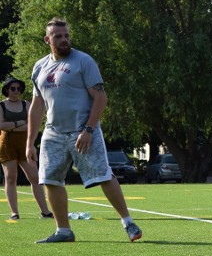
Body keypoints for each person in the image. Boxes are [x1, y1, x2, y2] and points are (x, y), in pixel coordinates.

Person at [26, 18, 142, 243]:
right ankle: (63, 231)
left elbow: (100, 97)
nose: (64, 40)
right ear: (47, 39)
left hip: (83, 131)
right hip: (53, 133)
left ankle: (128, 222)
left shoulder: (83, 61)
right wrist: (30, 141)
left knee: (103, 175)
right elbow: (37, 105)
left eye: (66, 35)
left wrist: (88, 129)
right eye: (58, 36)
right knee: (50, 179)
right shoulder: (40, 67)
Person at [1, 77, 52, 220]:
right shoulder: (1, 106)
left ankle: (45, 211)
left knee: (35, 177)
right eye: (13, 88)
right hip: (7, 144)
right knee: (11, 178)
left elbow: (33, 124)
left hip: (26, 144)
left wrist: (12, 125)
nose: (16, 91)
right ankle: (14, 213)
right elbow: (1, 126)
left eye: (18, 88)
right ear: (6, 90)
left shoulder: (26, 104)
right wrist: (20, 122)